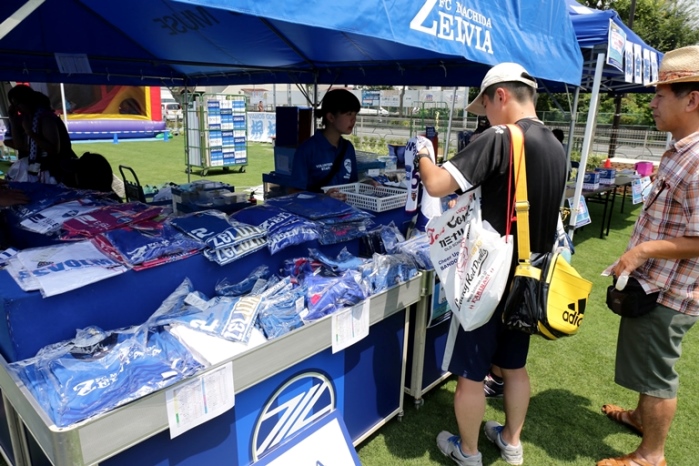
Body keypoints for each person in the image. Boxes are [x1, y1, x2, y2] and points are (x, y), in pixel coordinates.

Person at [416, 62, 566, 466]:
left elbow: (436, 184)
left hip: (490, 279)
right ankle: (511, 442)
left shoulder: (501, 137)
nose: (485, 117)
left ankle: (467, 451)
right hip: (531, 280)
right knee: (515, 366)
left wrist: (425, 155)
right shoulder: (555, 144)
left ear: (500, 95)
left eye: (484, 107)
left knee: (471, 372)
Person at [597, 45, 699, 466]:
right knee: (645, 360)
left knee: (657, 374)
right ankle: (641, 418)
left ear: (692, 100)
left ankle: (650, 456)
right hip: (654, 284)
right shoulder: (681, 149)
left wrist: (643, 250)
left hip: (670, 292)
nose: (652, 103)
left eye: (660, 95)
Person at [288, 89, 360, 197]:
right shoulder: (307, 150)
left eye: (355, 114)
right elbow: (294, 192)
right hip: (316, 208)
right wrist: (322, 198)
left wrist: (368, 183)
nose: (353, 120)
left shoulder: (348, 148)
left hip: (345, 207)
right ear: (331, 117)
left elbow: (353, 185)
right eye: (349, 114)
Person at [6, 85, 77, 184]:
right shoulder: (26, 118)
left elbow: (53, 149)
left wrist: (30, 132)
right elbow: (19, 146)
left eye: (18, 104)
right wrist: (13, 122)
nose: (17, 108)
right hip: (42, 169)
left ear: (27, 101)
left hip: (56, 170)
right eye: (14, 105)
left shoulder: (46, 118)